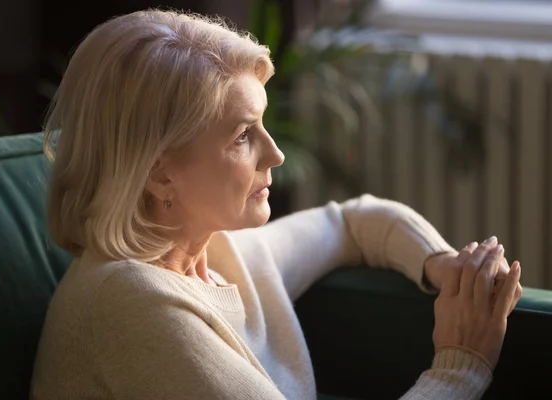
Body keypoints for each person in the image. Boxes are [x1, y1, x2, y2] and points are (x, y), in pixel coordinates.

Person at [30, 9, 523, 400]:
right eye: (244, 134)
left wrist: (440, 265)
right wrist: (461, 364)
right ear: (160, 172)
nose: (276, 153)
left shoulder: (220, 255)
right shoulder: (129, 301)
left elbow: (353, 222)